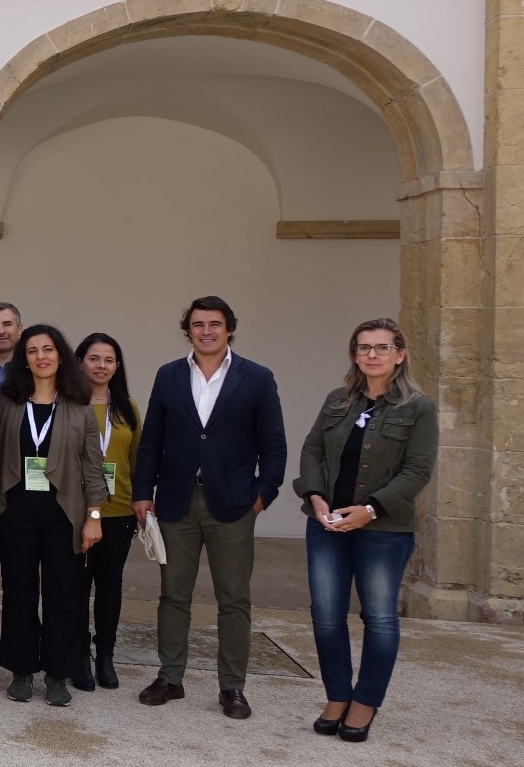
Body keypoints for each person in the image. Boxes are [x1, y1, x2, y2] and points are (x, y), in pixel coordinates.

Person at [133, 296, 287, 720]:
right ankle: (170, 676)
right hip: (177, 501)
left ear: (229, 329)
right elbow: (152, 440)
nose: (206, 331)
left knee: (234, 599)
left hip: (234, 504)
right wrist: (143, 491)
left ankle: (233, 686)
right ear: (188, 330)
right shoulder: (169, 376)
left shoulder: (255, 377)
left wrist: (262, 495)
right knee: (172, 595)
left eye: (215, 324)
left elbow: (274, 444)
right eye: (198, 324)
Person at [294, 318, 436, 743]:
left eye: (381, 347)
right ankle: (337, 695)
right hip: (328, 524)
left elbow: (418, 470)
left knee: (379, 618)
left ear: (400, 353)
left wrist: (371, 510)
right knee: (326, 616)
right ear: (354, 354)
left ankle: (365, 701)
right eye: (363, 348)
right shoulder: (339, 400)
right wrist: (316, 496)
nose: (372, 355)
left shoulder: (418, 407)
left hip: (384, 528)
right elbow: (313, 448)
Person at [0, 325, 106, 707]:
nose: (40, 356)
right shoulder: (6, 401)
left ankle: (57, 674)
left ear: (60, 356)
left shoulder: (79, 404)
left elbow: (93, 466)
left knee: (63, 595)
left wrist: (95, 515)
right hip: (15, 511)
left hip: (63, 513)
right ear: (24, 359)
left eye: (48, 349)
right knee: (18, 591)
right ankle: (22, 671)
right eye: (32, 350)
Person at [76, 332, 140, 691]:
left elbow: (135, 458)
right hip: (79, 511)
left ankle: (106, 655)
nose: (101, 366)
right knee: (78, 584)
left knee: (110, 583)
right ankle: (80, 653)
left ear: (117, 366)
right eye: (94, 358)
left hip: (118, 510)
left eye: (109, 360)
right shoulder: (69, 404)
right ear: (80, 362)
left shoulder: (127, 408)